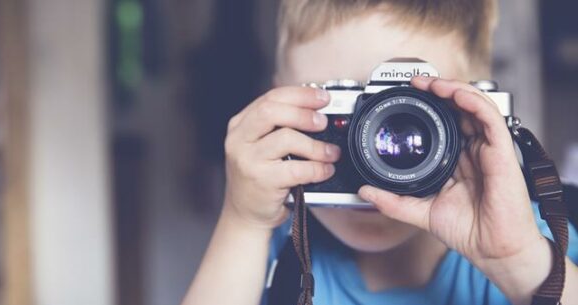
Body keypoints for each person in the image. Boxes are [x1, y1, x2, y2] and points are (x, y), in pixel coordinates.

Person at [181, 1, 578, 305]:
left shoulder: (525, 241)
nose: (372, 157)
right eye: (345, 113)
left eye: (409, 114)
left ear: (474, 108)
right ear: (279, 106)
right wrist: (243, 220)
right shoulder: (273, 254)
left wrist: (519, 262)